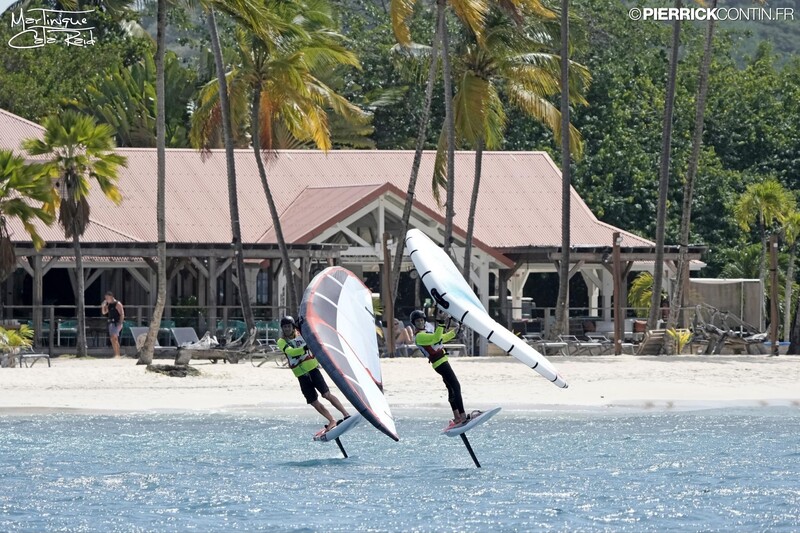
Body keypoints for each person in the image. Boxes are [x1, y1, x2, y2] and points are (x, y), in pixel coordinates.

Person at [277, 316, 349, 431]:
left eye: (288, 326)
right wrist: (305, 348)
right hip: (301, 375)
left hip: (312, 369)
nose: (286, 329)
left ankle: (346, 414)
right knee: (313, 402)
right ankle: (331, 420)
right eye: (284, 327)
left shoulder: (302, 334)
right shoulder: (281, 341)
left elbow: (311, 328)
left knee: (326, 394)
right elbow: (290, 352)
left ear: (293, 327)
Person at [411, 309, 468, 429]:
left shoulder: (426, 333)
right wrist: (441, 322)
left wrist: (455, 331)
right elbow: (436, 338)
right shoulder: (419, 336)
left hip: (442, 362)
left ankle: (457, 417)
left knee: (451, 388)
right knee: (456, 386)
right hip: (440, 363)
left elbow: (442, 338)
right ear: (414, 323)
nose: (420, 323)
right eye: (417, 321)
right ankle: (463, 416)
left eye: (422, 320)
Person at [101, 291, 124, 358]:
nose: (106, 299)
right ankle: (116, 354)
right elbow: (104, 312)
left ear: (111, 297)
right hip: (111, 323)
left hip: (117, 323)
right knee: (112, 339)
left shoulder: (117, 304)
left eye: (107, 298)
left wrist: (120, 323)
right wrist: (103, 306)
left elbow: (122, 314)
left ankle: (118, 354)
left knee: (115, 338)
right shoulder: (109, 305)